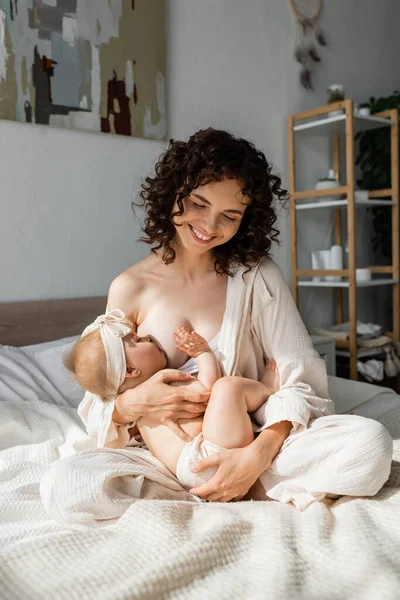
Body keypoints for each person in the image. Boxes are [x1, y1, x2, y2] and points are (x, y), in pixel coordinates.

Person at [40, 128, 392, 528]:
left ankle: (239, 481)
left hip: (257, 442)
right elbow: (101, 391)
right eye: (197, 203)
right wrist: (134, 404)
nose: (209, 226)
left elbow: (303, 381)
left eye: (230, 215)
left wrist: (255, 454)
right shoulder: (130, 288)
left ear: (247, 219)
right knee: (66, 487)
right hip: (168, 457)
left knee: (371, 446)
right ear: (172, 193)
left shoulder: (257, 277)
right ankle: (225, 488)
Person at [66, 309, 280, 491]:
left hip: (189, 471)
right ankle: (268, 389)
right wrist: (203, 353)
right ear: (131, 369)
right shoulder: (162, 386)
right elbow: (208, 389)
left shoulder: (139, 410)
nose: (147, 336)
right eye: (139, 340)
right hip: (207, 455)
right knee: (227, 387)